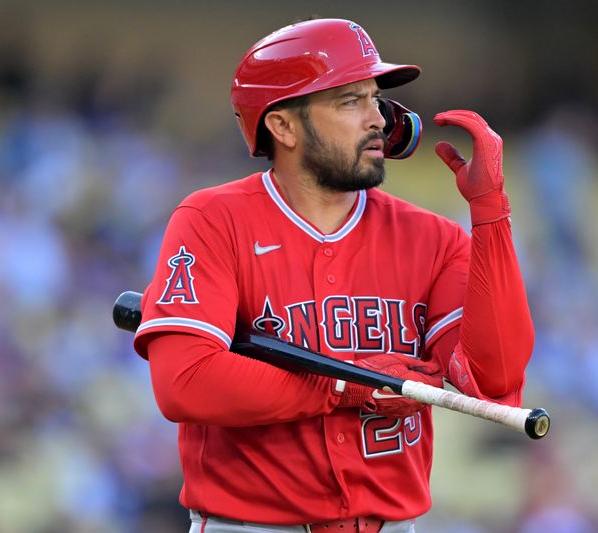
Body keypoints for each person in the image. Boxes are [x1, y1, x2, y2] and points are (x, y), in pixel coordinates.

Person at [133, 17, 534, 533]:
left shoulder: (434, 238)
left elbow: (494, 383)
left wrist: (490, 213)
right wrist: (345, 385)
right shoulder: (213, 219)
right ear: (283, 126)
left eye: (375, 98)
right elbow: (184, 383)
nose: (379, 119)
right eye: (350, 101)